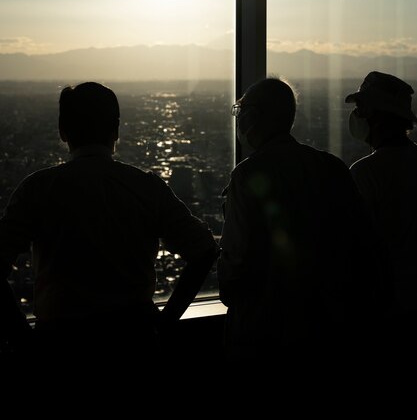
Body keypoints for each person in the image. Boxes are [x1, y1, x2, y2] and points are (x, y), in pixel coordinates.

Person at [0, 81, 218, 373]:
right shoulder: (146, 187)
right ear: (115, 130)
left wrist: (23, 340)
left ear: (63, 130)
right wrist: (166, 321)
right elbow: (204, 250)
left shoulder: (37, 190)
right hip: (133, 346)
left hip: (60, 347)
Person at [217, 75, 379, 373]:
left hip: (264, 336)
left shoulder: (248, 175)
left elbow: (237, 261)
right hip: (327, 330)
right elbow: (364, 245)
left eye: (240, 111)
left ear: (251, 116)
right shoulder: (330, 167)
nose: (238, 120)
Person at [345, 70, 417, 361]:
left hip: (384, 308)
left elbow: (357, 247)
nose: (358, 115)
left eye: (363, 109)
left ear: (379, 116)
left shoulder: (366, 173)